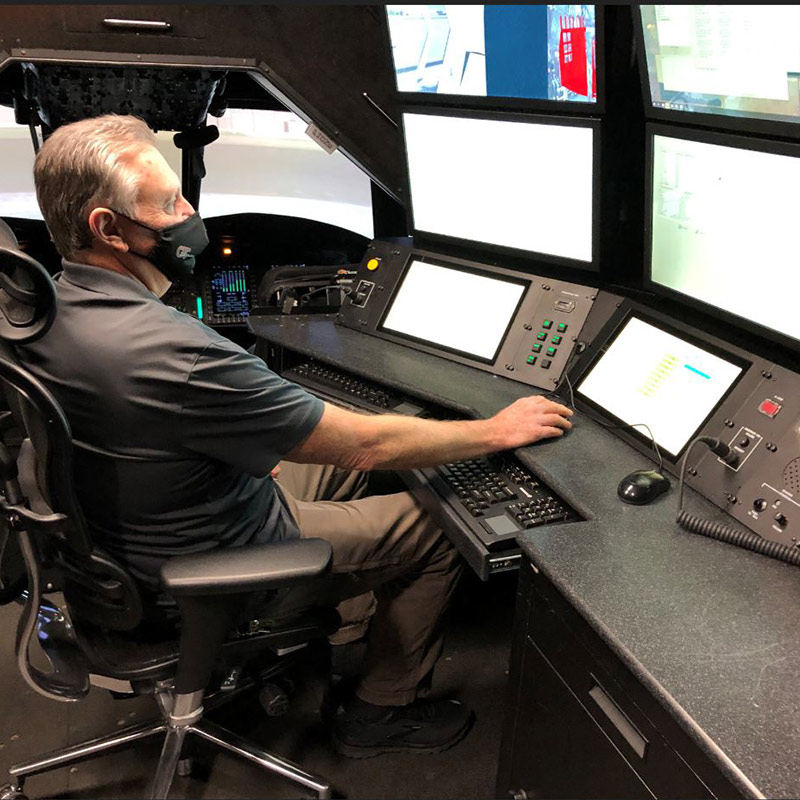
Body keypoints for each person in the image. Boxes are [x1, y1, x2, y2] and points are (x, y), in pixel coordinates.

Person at [20, 114, 573, 758]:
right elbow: (371, 445)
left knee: (353, 465)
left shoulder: (48, 311)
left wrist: (249, 443)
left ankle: (350, 618)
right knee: (441, 521)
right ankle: (381, 709)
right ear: (108, 228)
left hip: (136, 536)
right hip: (202, 566)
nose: (189, 213)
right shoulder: (178, 352)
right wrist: (496, 430)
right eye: (168, 203)